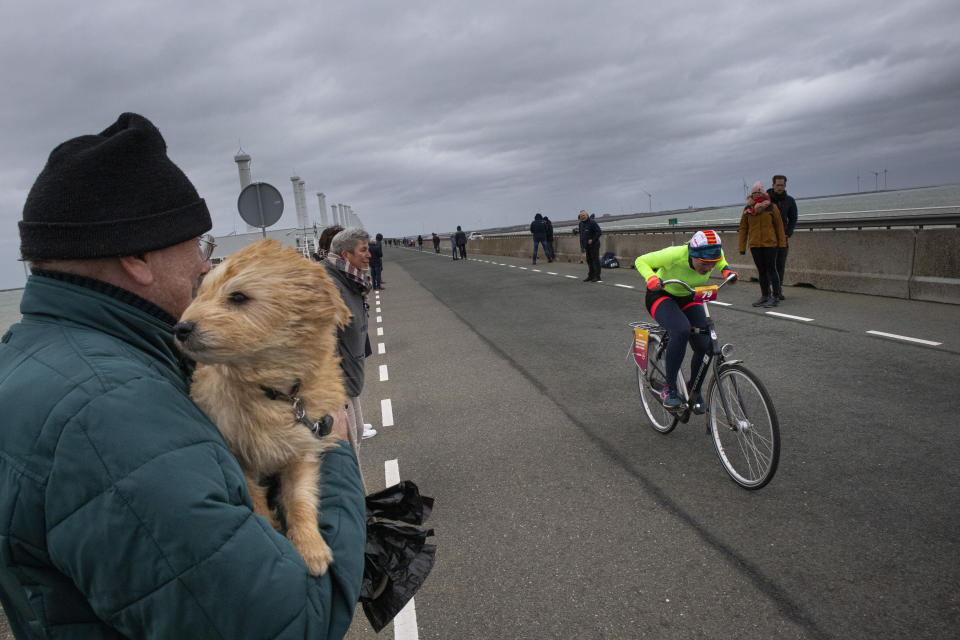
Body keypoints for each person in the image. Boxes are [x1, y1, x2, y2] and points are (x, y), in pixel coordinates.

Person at [0, 113, 366, 639]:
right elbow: (291, 622)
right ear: (137, 258)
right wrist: (331, 444)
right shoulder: (112, 414)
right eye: (198, 245)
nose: (204, 266)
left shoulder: (37, 356)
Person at [635, 230, 738, 410]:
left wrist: (726, 270)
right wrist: (651, 277)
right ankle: (670, 388)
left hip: (689, 295)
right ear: (692, 254)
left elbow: (720, 258)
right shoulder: (675, 255)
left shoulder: (714, 254)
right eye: (704, 263)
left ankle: (693, 389)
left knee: (704, 344)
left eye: (711, 265)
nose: (707, 268)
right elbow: (641, 261)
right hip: (661, 295)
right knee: (681, 330)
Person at [324, 228, 377, 445]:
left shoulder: (349, 279)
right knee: (350, 447)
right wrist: (335, 395)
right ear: (345, 255)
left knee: (357, 437)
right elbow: (326, 343)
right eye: (363, 250)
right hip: (340, 387)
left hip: (350, 380)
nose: (369, 254)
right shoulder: (329, 286)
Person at [738, 181, 786, 307]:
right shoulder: (748, 209)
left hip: (770, 244)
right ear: (751, 195)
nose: (756, 195)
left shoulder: (771, 207)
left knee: (772, 270)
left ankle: (775, 296)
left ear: (763, 192)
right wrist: (742, 247)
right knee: (762, 271)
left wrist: (782, 244)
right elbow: (743, 228)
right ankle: (765, 295)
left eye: (758, 192)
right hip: (755, 245)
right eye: (754, 193)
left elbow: (779, 226)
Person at [768, 174, 798, 300]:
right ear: (773, 185)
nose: (780, 187)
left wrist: (788, 232)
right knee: (770, 266)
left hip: (782, 239)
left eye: (782, 185)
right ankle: (768, 291)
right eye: (777, 185)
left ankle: (778, 291)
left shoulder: (790, 201)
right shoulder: (766, 200)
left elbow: (793, 218)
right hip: (768, 239)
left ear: (785, 185)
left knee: (780, 265)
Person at [578, 209, 602, 282]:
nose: (583, 217)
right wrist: (582, 246)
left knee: (595, 260)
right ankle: (591, 275)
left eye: (584, 215)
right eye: (581, 216)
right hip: (586, 246)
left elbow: (599, 232)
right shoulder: (581, 224)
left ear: (587, 215)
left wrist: (592, 239)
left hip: (594, 245)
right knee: (589, 261)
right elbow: (581, 235)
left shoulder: (592, 222)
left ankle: (597, 276)